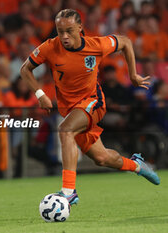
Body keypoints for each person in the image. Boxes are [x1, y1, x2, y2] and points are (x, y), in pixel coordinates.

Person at [20, 9, 160, 206]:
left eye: (69, 30)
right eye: (60, 32)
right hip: (71, 110)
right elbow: (25, 69)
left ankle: (69, 191)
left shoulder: (97, 45)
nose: (65, 36)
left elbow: (126, 42)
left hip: (93, 102)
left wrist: (133, 75)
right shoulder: (50, 47)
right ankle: (137, 165)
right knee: (102, 158)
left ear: (80, 28)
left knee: (65, 129)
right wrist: (40, 94)